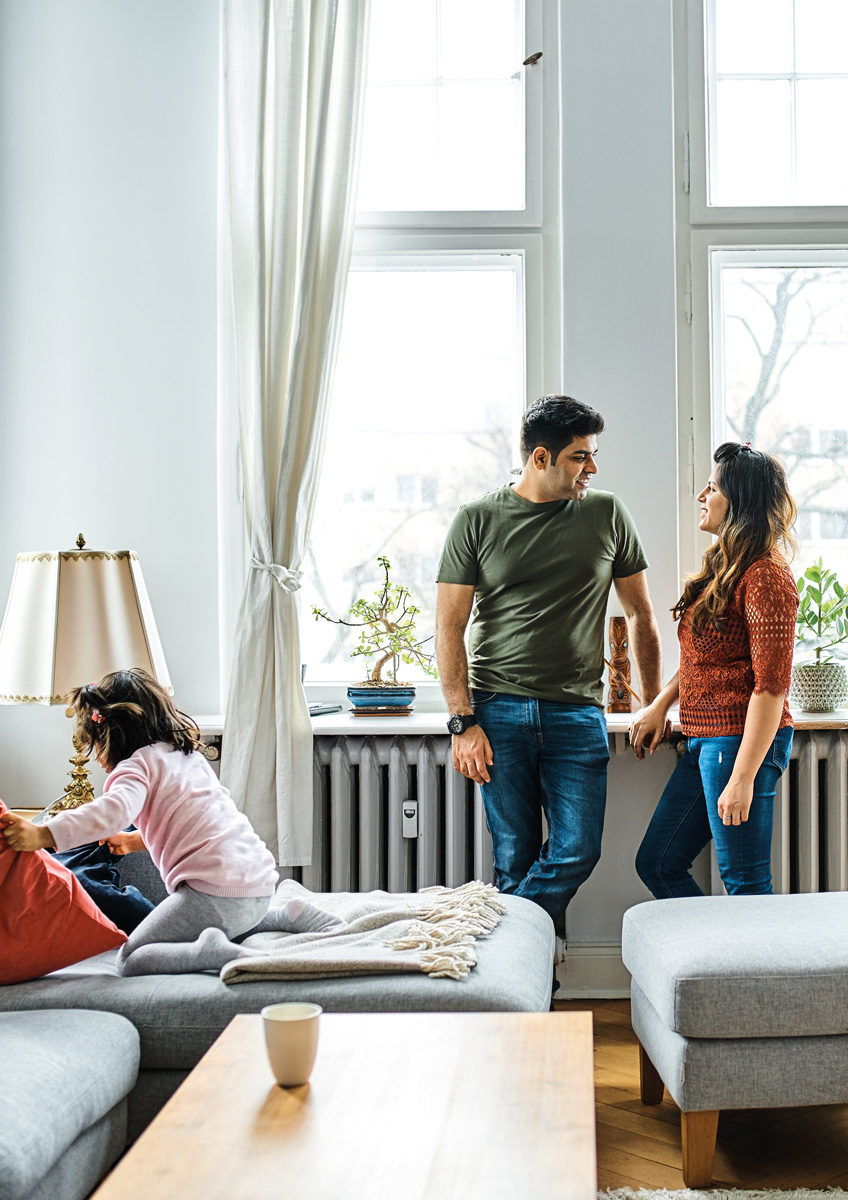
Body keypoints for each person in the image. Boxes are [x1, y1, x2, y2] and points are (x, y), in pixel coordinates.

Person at [435, 395, 662, 942]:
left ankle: (501, 945)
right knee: (514, 855)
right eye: (581, 456)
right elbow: (448, 626)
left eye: (593, 454)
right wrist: (462, 722)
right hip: (496, 709)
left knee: (578, 849)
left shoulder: (607, 514)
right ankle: (532, 984)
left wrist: (653, 704)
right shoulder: (476, 519)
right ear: (541, 458)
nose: (593, 468)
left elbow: (640, 614)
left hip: (576, 712)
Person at [0, 669, 340, 975]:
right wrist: (132, 840)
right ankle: (287, 914)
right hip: (259, 887)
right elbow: (192, 823)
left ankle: (209, 952)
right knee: (226, 917)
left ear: (109, 733)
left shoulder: (134, 768)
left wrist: (43, 834)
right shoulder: (186, 756)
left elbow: (113, 811)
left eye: (95, 745)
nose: (98, 759)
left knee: (132, 958)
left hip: (216, 896)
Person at [631, 442, 799, 897]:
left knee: (745, 884)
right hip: (703, 738)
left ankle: (750, 950)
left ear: (739, 500)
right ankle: (709, 945)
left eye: (713, 488)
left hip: (738, 742)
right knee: (658, 863)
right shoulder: (726, 566)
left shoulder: (766, 575)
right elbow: (702, 659)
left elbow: (771, 687)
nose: (702, 496)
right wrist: (659, 705)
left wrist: (743, 777)